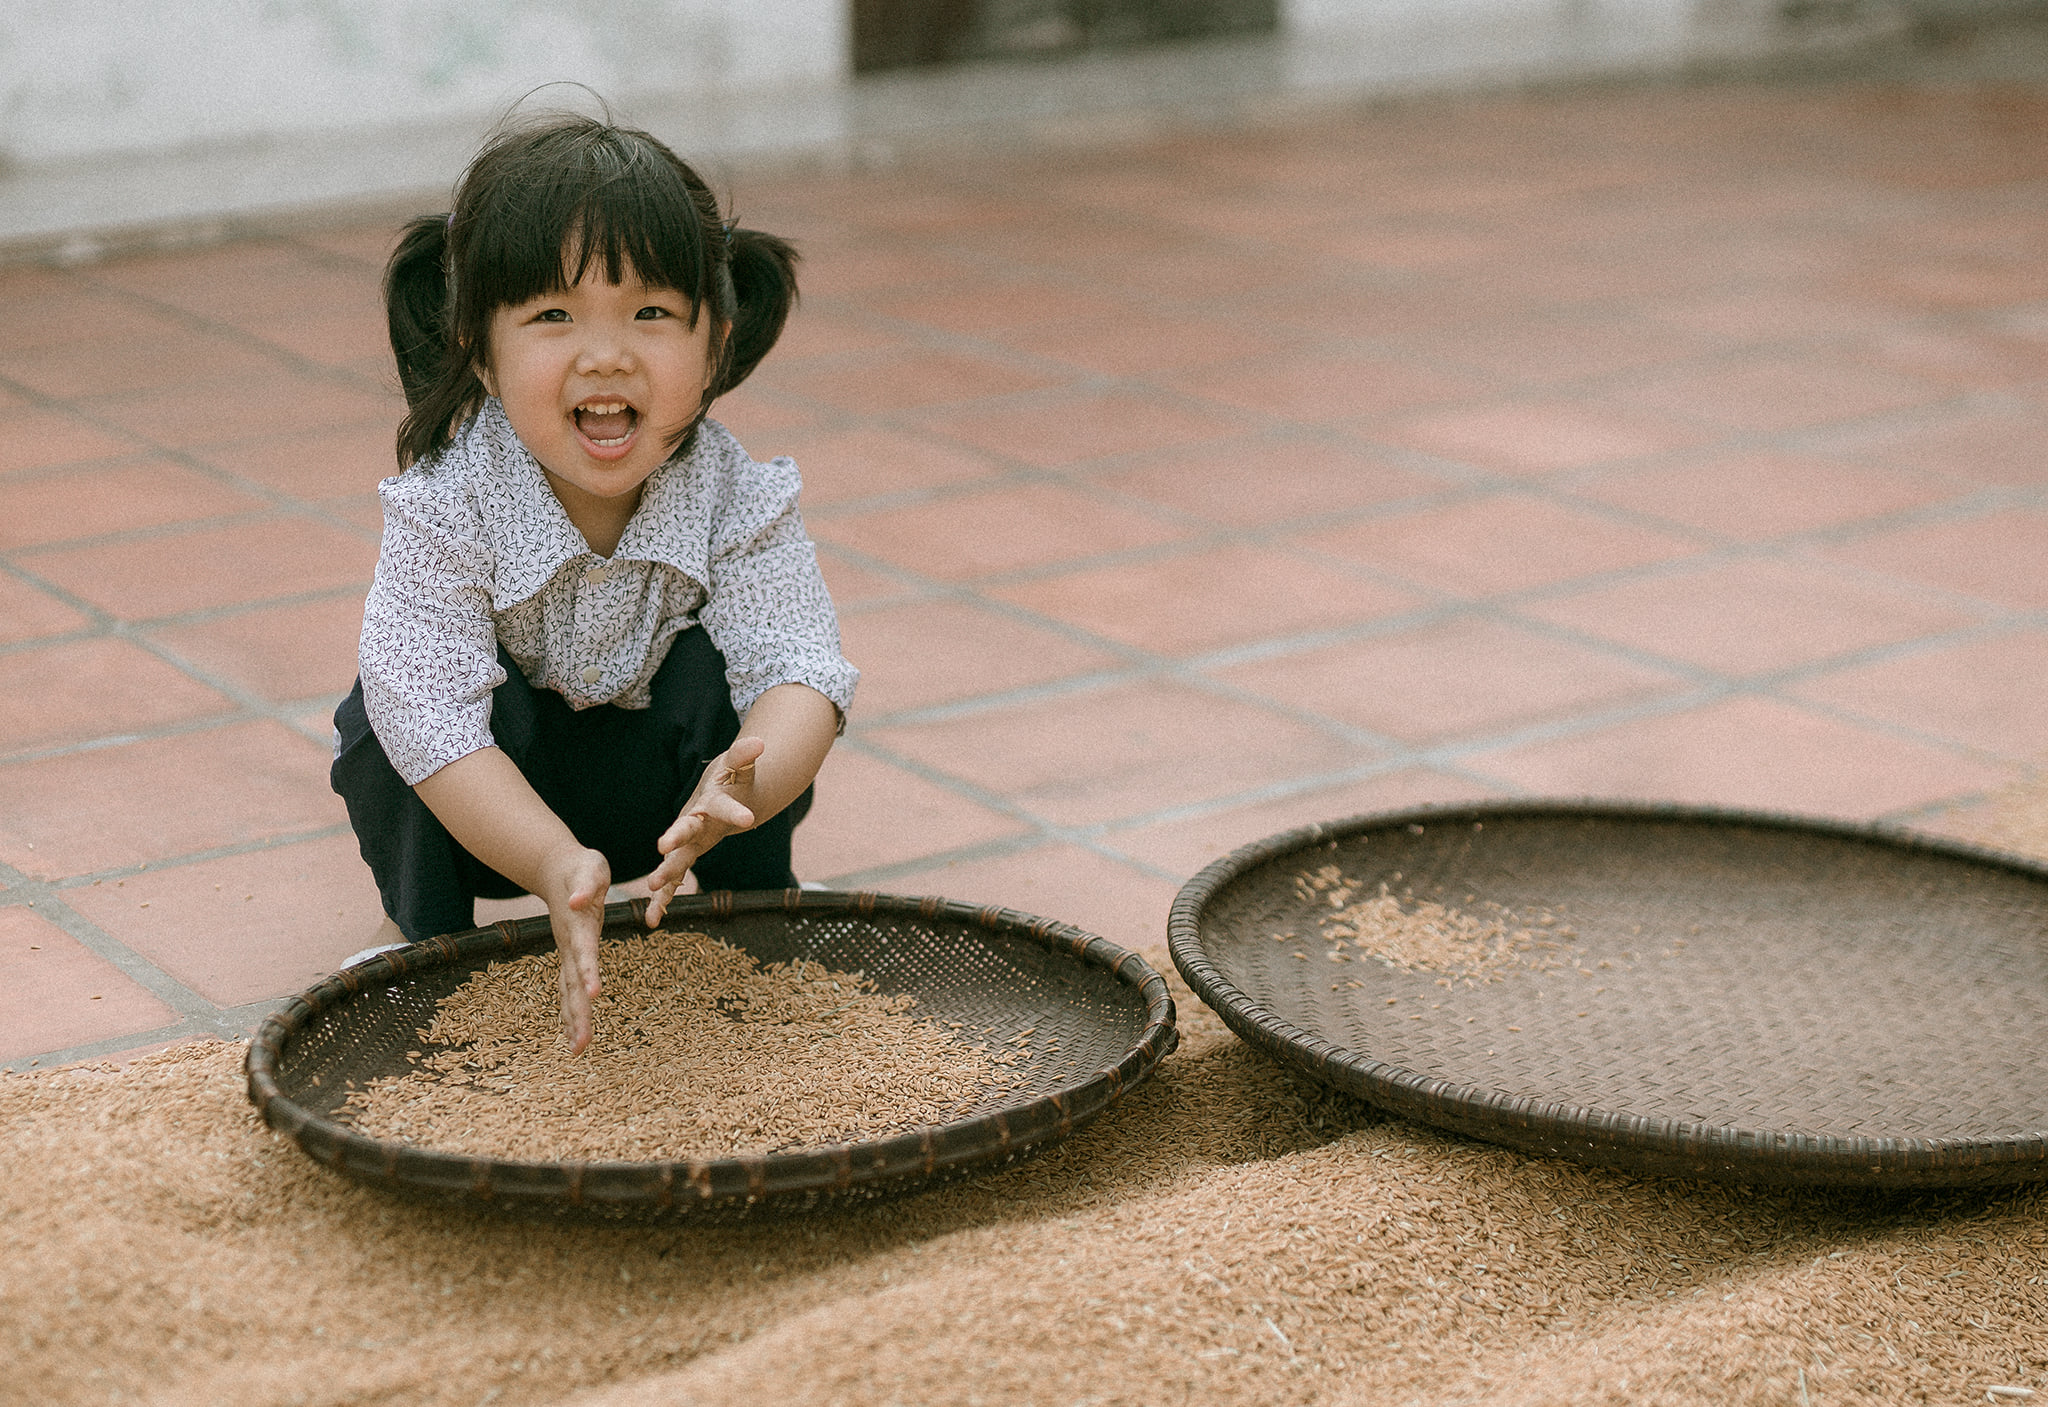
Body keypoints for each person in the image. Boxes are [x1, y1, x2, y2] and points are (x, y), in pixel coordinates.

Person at [331, 111, 856, 1053]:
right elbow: (429, 712)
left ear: (716, 344)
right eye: (553, 316)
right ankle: (422, 935)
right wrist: (550, 860)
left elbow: (803, 664)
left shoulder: (738, 490)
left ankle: (752, 904)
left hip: (668, 804)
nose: (606, 353)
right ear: (479, 353)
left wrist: (744, 782)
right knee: (385, 709)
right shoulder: (444, 504)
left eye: (651, 313)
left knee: (750, 709)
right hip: (495, 802)